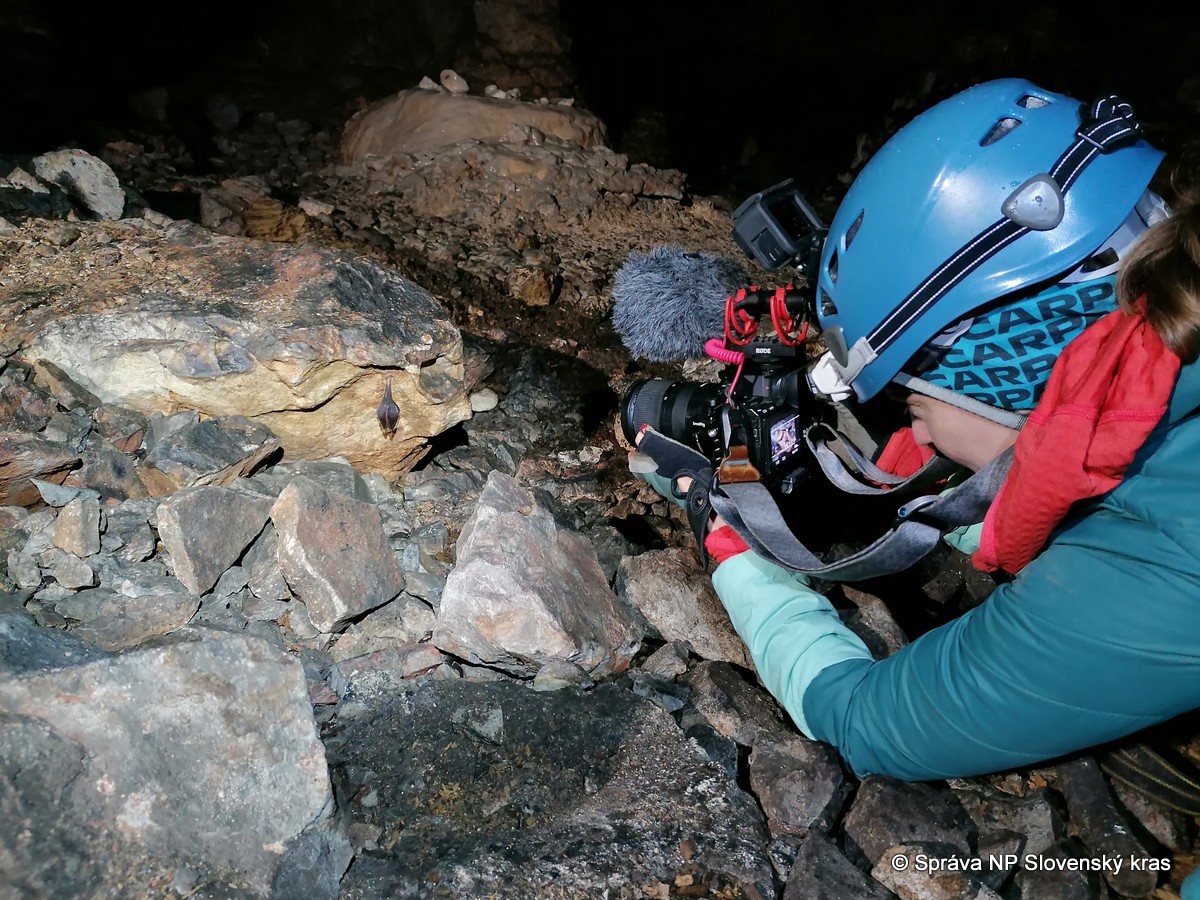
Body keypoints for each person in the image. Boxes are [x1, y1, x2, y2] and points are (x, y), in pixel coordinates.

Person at [628, 77, 1200, 863]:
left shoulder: (1161, 573)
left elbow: (866, 722)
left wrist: (737, 555)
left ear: (1000, 372)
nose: (903, 414)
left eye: (907, 390)